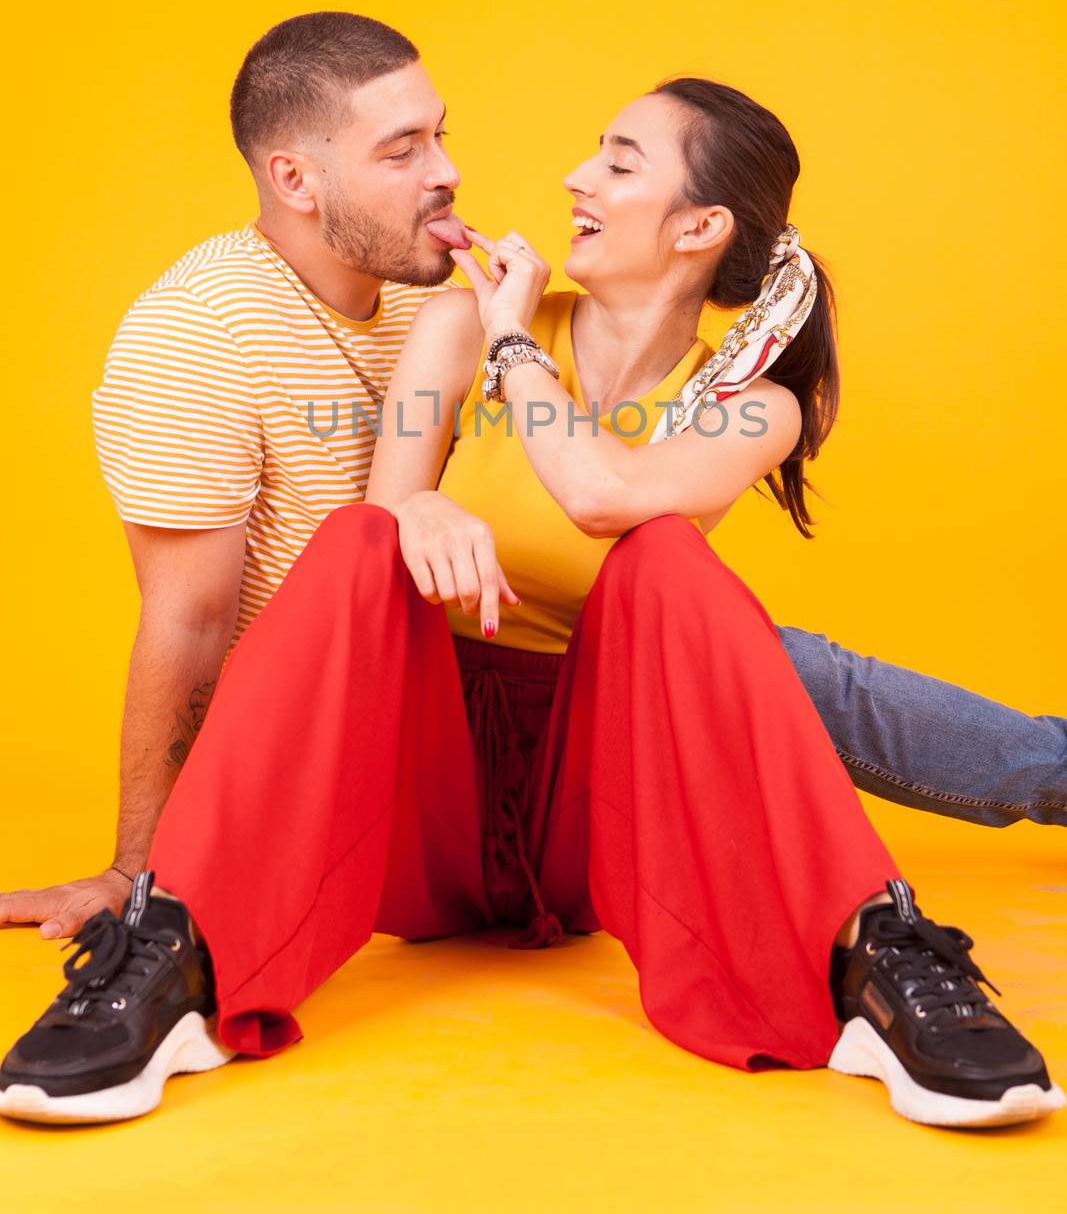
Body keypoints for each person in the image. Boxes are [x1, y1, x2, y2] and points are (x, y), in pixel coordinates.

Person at [1, 73, 1062, 1129]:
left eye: (617, 160)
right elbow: (382, 519)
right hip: (425, 797)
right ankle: (170, 949)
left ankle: (876, 953)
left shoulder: (750, 409)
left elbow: (605, 496)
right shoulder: (455, 328)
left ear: (697, 225)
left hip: (593, 808)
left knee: (669, 567)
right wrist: (418, 512)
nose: (573, 176)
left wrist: (516, 342)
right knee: (364, 540)